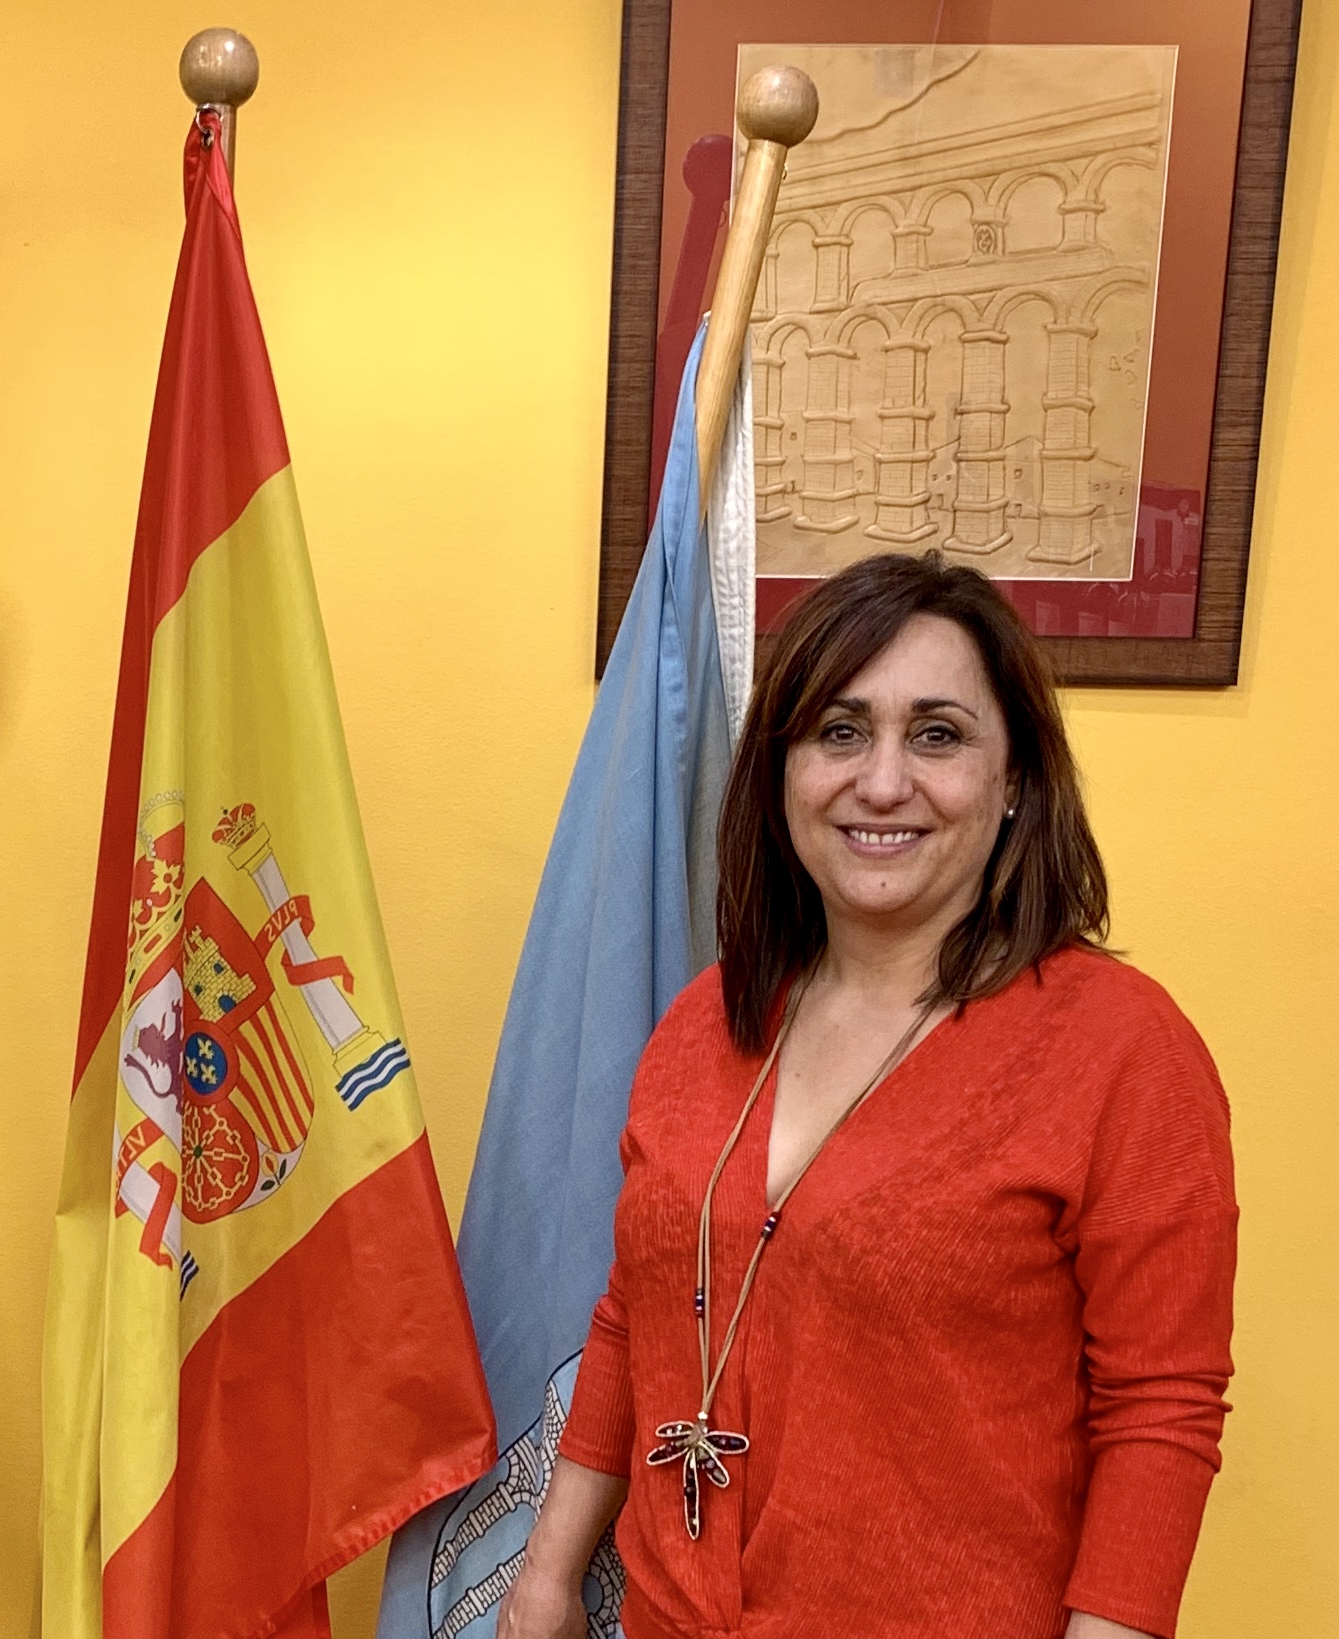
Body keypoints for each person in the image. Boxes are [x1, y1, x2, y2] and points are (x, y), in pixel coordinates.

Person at [498, 552, 1237, 1639]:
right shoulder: (705, 1020)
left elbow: (1159, 1413)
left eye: (937, 733)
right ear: (784, 770)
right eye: (839, 731)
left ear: (1016, 778)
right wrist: (548, 1572)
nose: (881, 780)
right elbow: (636, 1311)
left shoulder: (1124, 1052)